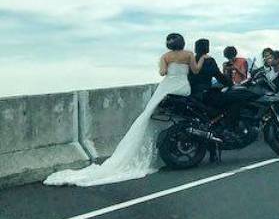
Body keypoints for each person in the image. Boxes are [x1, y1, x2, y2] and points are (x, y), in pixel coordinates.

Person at [45, 33, 203, 186]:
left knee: (150, 115)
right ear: (182, 42)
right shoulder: (189, 54)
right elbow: (196, 71)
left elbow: (162, 72)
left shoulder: (165, 57)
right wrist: (202, 58)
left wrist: (170, 67)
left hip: (167, 87)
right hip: (182, 88)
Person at [189, 39, 231, 162]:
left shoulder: (191, 60)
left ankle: (211, 151)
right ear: (207, 48)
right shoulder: (209, 61)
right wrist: (229, 82)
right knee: (217, 117)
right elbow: (219, 76)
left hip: (192, 95)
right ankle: (217, 147)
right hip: (205, 94)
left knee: (205, 121)